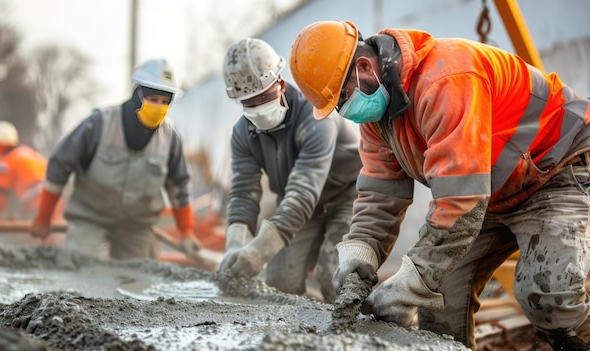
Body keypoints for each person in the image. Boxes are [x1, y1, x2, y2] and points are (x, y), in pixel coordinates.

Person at [289, 20, 590, 350]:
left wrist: (411, 280)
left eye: (342, 97)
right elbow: (380, 192)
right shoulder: (379, 116)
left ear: (364, 66)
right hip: (491, 191)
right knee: (439, 303)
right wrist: (360, 252)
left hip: (555, 170)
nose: (345, 110)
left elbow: (462, 200)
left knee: (548, 296)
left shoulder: (445, 79)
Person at [217, 38, 362, 303]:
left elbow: (304, 191)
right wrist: (236, 245)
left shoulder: (316, 116)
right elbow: (243, 192)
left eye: (264, 96)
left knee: (336, 278)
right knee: (280, 282)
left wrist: (258, 252)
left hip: (347, 196)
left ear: (280, 84)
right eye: (250, 102)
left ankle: (357, 337)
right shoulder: (242, 133)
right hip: (300, 205)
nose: (259, 107)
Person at [29, 59, 202, 261]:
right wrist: (43, 217)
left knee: (142, 283)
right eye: (153, 99)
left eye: (165, 102)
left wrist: (186, 232)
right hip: (91, 219)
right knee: (87, 278)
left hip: (137, 227)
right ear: (138, 95)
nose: (159, 107)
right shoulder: (100, 123)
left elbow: (179, 185)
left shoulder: (170, 138)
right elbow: (60, 164)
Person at [0, 120, 60, 221]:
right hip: (55, 203)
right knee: (53, 235)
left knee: (35, 236)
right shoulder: (26, 153)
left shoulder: (6, 163)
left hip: (37, 207)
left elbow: (0, 194)